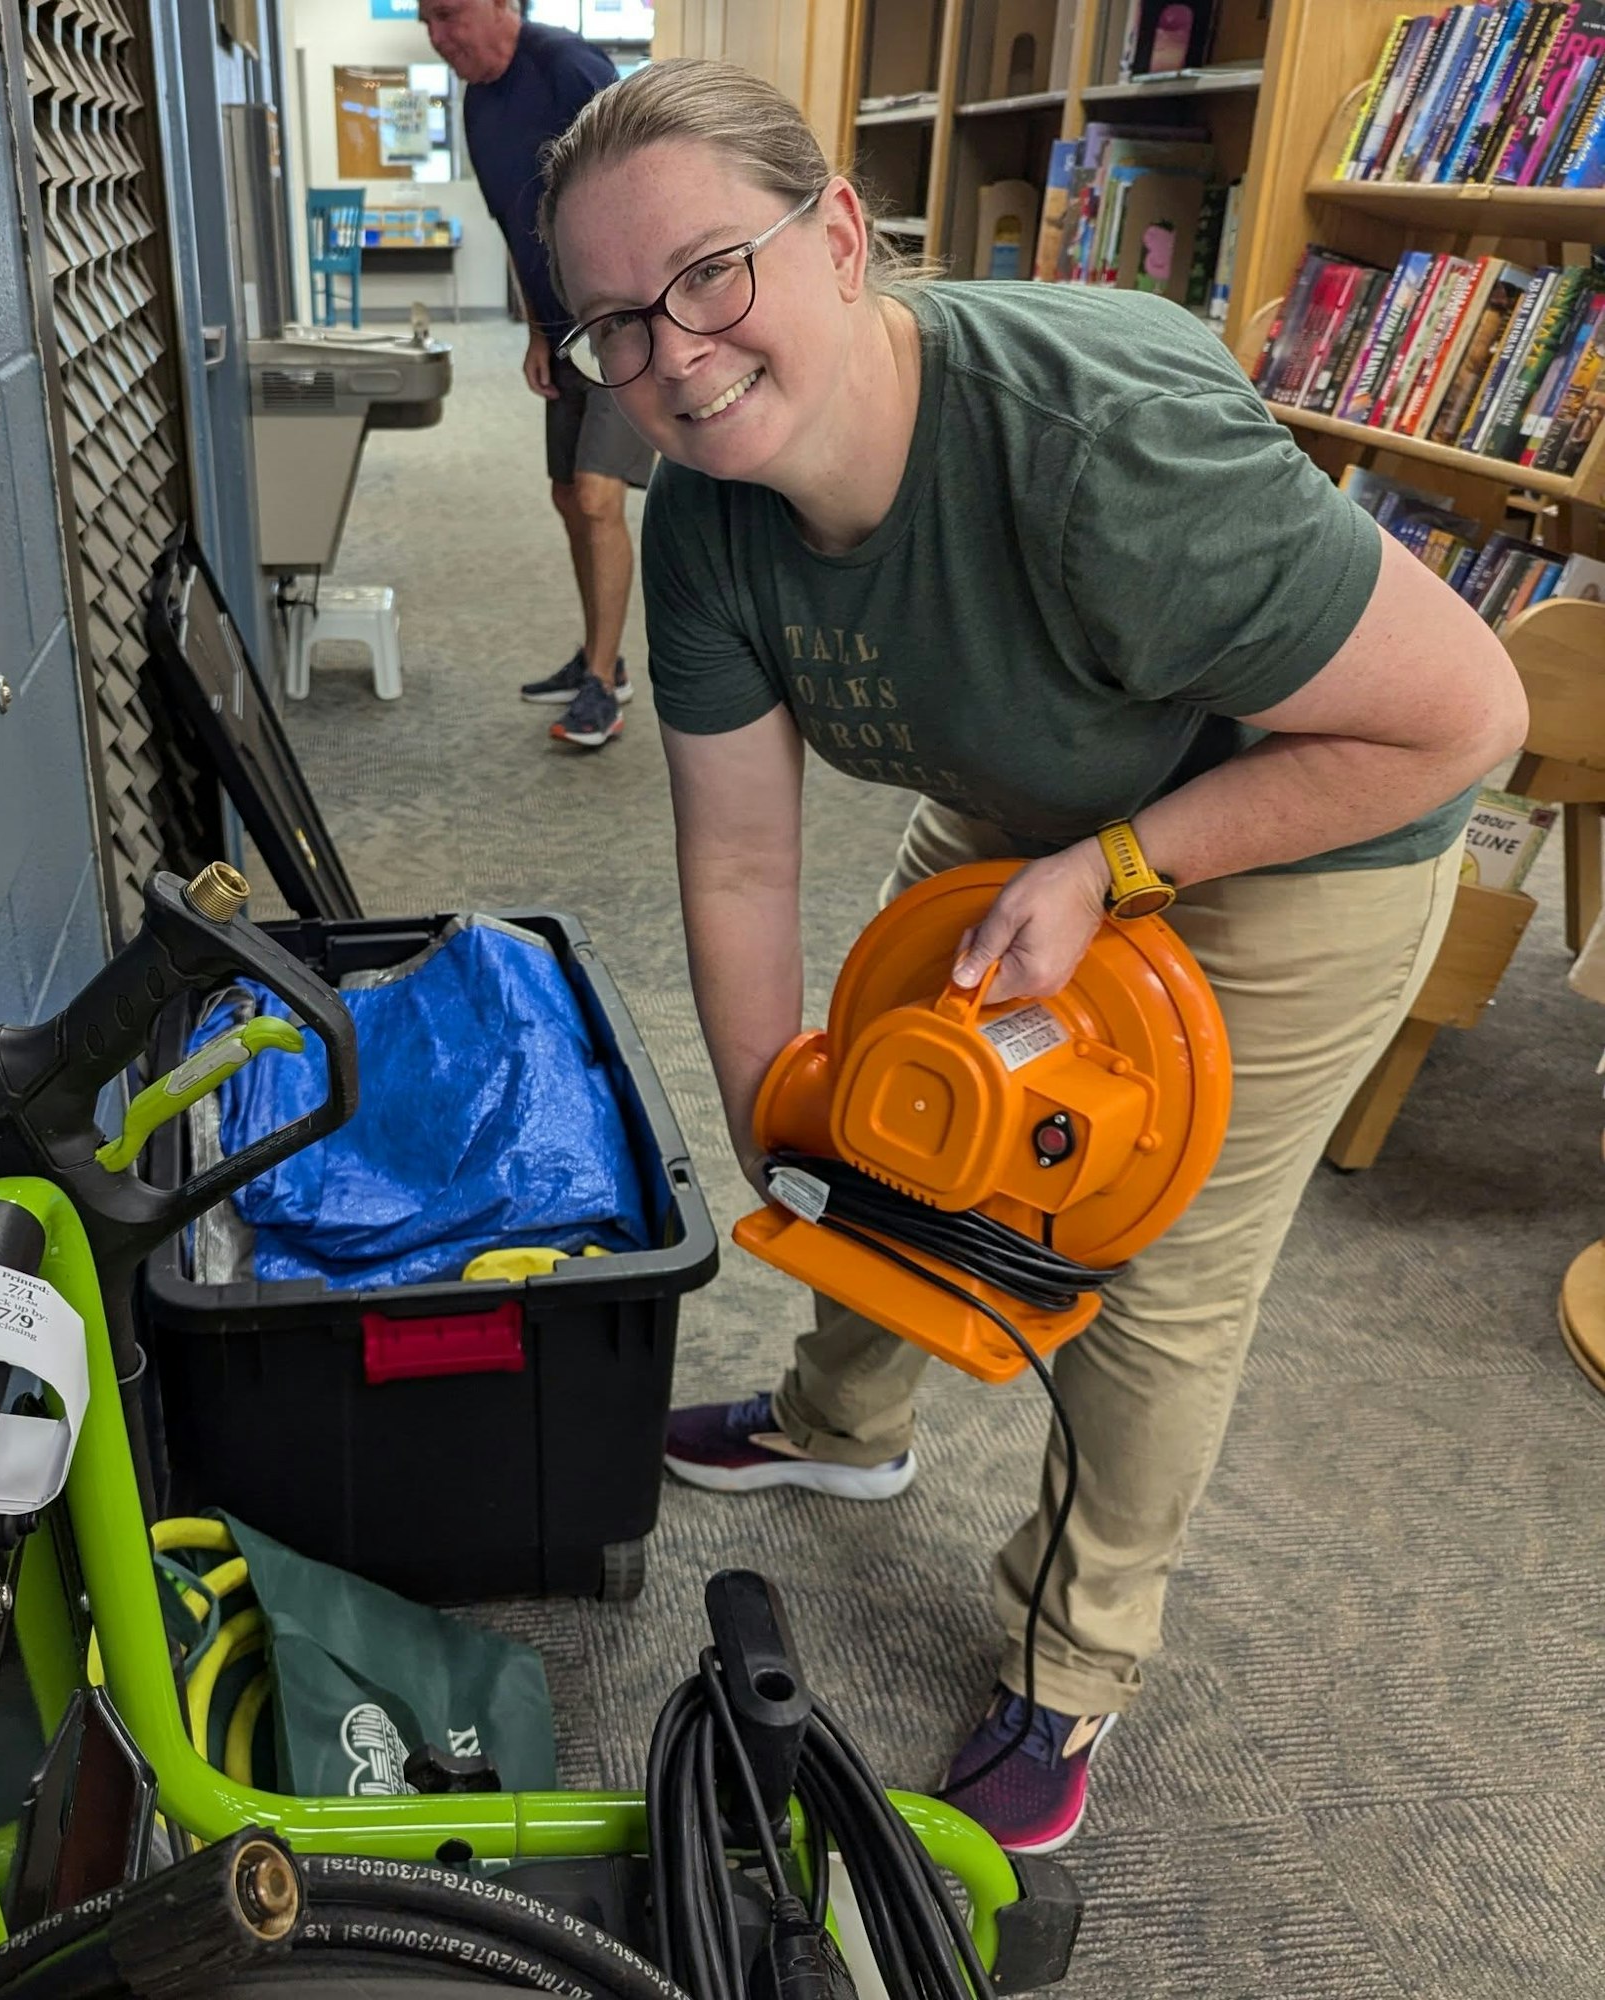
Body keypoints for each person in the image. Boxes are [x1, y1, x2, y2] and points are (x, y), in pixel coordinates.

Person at [537, 61, 1527, 1853]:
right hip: (1027, 800)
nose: (669, 353)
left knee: (1142, 1270)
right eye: (612, 320)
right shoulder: (702, 522)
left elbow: (1465, 717)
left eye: (706, 272)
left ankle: (1072, 1666)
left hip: (1297, 828)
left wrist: (1120, 867)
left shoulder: (1098, 454)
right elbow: (741, 855)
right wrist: (777, 1115)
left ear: (839, 236)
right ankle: (842, 1420)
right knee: (882, 1091)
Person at [419, 0, 655, 750]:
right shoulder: (477, 105)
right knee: (566, 497)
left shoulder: (570, 69)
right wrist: (535, 330)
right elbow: (512, 227)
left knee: (596, 498)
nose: (437, 37)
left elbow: (644, 192)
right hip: (562, 330)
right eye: (426, 23)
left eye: (448, 15)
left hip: (624, 326)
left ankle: (602, 689)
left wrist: (632, 320)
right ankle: (601, 656)